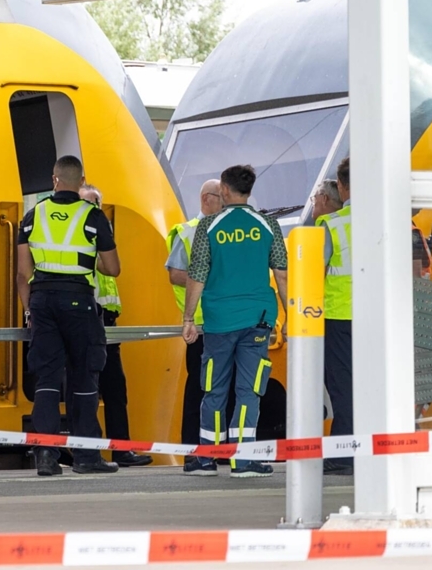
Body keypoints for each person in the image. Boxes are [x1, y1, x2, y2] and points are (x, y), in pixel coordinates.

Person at [181, 165, 288, 478]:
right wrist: (291, 316)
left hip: (219, 322)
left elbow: (197, 273)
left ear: (224, 191)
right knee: (249, 390)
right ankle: (243, 460)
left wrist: (188, 317)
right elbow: (281, 272)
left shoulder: (210, 227)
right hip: (258, 320)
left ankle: (207, 460)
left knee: (213, 388)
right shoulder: (267, 225)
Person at [17, 156, 120, 477]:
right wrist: (89, 261)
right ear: (81, 181)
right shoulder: (93, 216)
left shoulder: (33, 216)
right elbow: (113, 268)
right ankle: (86, 455)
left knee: (47, 379)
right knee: (84, 375)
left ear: (54, 178)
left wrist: (29, 309)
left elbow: (23, 272)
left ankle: (46, 456)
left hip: (43, 301)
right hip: (78, 302)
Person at [79, 184, 153, 468]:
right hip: (87, 318)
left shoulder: (102, 233)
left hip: (107, 321)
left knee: (115, 390)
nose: (93, 208)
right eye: (87, 202)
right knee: (87, 388)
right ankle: (90, 452)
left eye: (96, 203)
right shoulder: (81, 236)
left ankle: (121, 449)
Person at [165, 180, 224, 451]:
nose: (227, 204)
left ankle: (218, 448)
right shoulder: (187, 232)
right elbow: (175, 274)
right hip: (199, 327)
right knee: (199, 388)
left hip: (224, 322)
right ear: (206, 199)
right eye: (223, 198)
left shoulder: (225, 230)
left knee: (223, 387)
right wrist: (208, 278)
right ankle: (192, 448)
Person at [316, 157, 353, 476]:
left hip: (340, 316)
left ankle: (344, 454)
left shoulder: (332, 224)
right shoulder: (386, 219)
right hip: (380, 317)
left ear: (341, 187)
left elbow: (316, 272)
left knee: (342, 387)